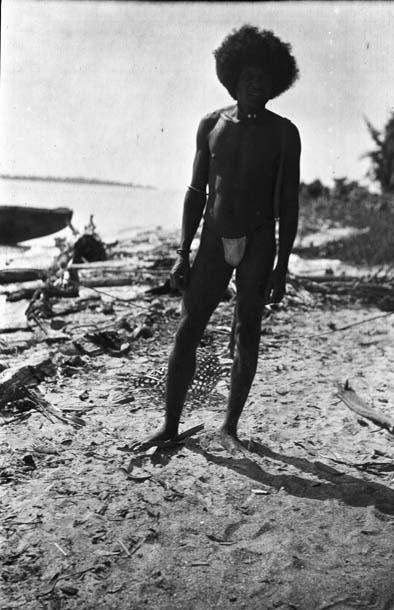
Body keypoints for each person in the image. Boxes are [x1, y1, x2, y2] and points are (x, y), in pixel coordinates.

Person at [136, 24, 300, 455]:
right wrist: (181, 253)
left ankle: (229, 427)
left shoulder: (285, 133)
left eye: (263, 77)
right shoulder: (211, 124)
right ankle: (170, 424)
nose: (254, 82)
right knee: (189, 327)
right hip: (211, 239)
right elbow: (196, 192)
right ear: (232, 76)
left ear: (275, 83)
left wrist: (281, 265)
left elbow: (289, 203)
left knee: (248, 330)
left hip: (259, 241)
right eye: (247, 74)